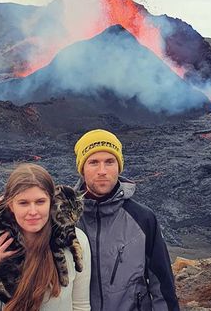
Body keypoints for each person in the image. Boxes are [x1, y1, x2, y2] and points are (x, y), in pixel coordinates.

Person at [0, 163, 91, 311]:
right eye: (23, 203)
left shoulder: (75, 241)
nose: (33, 211)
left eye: (40, 201)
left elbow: (81, 306)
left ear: (51, 202)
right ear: (11, 205)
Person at [73, 129, 180, 311]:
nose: (102, 171)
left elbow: (162, 286)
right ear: (82, 169)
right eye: (93, 162)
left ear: (119, 165)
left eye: (109, 162)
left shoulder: (143, 219)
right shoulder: (64, 218)